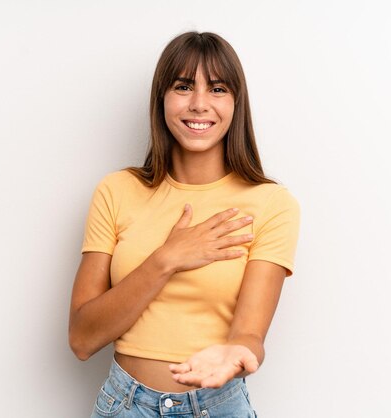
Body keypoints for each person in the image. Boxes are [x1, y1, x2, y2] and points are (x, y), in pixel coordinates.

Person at [69, 31, 300, 418]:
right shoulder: (116, 191)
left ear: (236, 103)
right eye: (183, 86)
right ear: (161, 98)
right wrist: (167, 259)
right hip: (125, 407)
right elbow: (82, 338)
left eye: (218, 89)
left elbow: (249, 335)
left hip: (218, 406)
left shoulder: (272, 204)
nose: (198, 104)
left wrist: (238, 352)